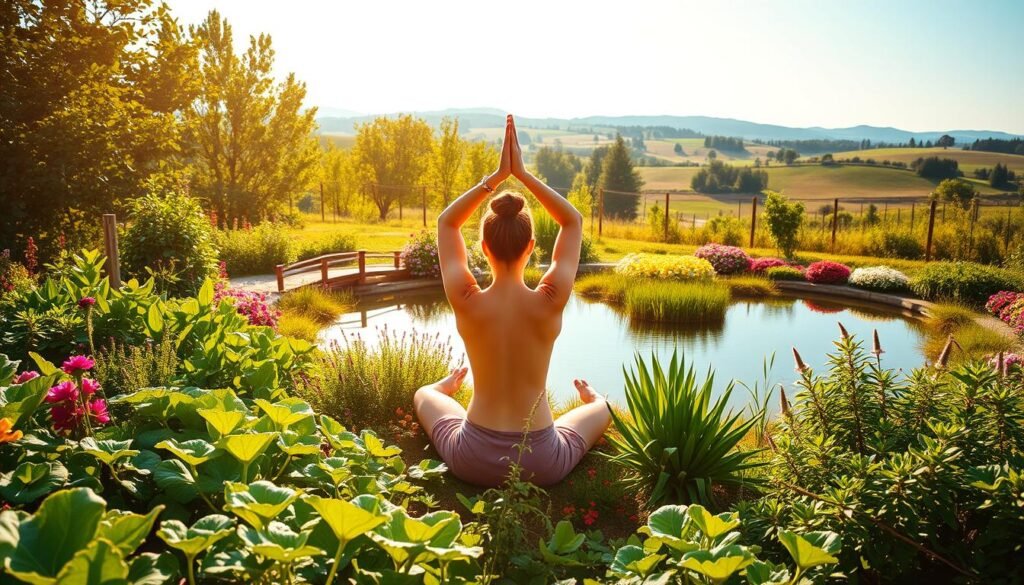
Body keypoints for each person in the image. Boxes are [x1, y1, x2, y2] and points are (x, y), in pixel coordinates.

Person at [413, 115, 611, 487]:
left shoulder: (466, 299)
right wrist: (522, 173)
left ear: (484, 249)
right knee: (601, 408)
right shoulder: (549, 300)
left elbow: (446, 223)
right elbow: (573, 222)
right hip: (541, 463)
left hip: (470, 457)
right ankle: (593, 397)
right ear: (532, 248)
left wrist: (496, 177)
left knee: (425, 393)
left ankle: (445, 387)